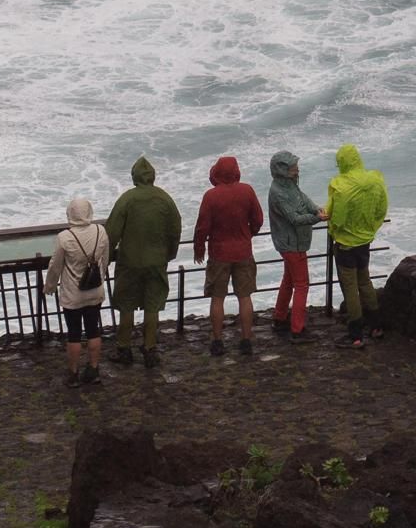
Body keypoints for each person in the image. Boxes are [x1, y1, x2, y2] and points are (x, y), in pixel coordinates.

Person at [107, 156, 181, 369]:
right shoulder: (165, 199)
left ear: (134, 177)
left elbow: (112, 233)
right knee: (152, 306)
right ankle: (150, 349)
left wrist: (106, 256)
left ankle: (124, 349)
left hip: (129, 261)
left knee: (126, 305)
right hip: (157, 261)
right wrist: (169, 253)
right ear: (153, 177)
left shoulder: (127, 199)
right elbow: (175, 230)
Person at [193, 155, 264, 357]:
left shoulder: (211, 196)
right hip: (243, 251)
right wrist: (250, 233)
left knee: (217, 298)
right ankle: (246, 340)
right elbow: (258, 219)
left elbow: (202, 228)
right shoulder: (247, 191)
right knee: (245, 296)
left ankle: (217, 341)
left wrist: (199, 249)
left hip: (219, 253)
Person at [325, 144, 389, 348]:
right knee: (365, 281)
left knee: (350, 288)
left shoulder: (341, 186)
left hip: (345, 244)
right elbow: (381, 209)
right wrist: (370, 228)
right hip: (365, 241)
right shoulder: (375, 180)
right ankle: (377, 326)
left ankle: (356, 334)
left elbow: (336, 217)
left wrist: (334, 231)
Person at [42, 197, 110, 388]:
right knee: (93, 330)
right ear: (89, 212)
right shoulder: (100, 231)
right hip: (95, 290)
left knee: (74, 333)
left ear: (70, 213)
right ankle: (94, 369)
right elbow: (105, 258)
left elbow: (55, 265)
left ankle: (73, 374)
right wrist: (101, 278)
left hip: (73, 294)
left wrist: (50, 285)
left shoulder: (65, 237)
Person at [266, 151, 323, 340]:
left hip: (291, 242)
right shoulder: (278, 193)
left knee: (289, 281)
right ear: (282, 170)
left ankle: (280, 318)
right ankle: (297, 329)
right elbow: (295, 218)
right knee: (302, 284)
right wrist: (317, 218)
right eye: (292, 166)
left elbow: (302, 197)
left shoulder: (288, 185)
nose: (297, 168)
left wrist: (315, 208)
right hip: (292, 244)